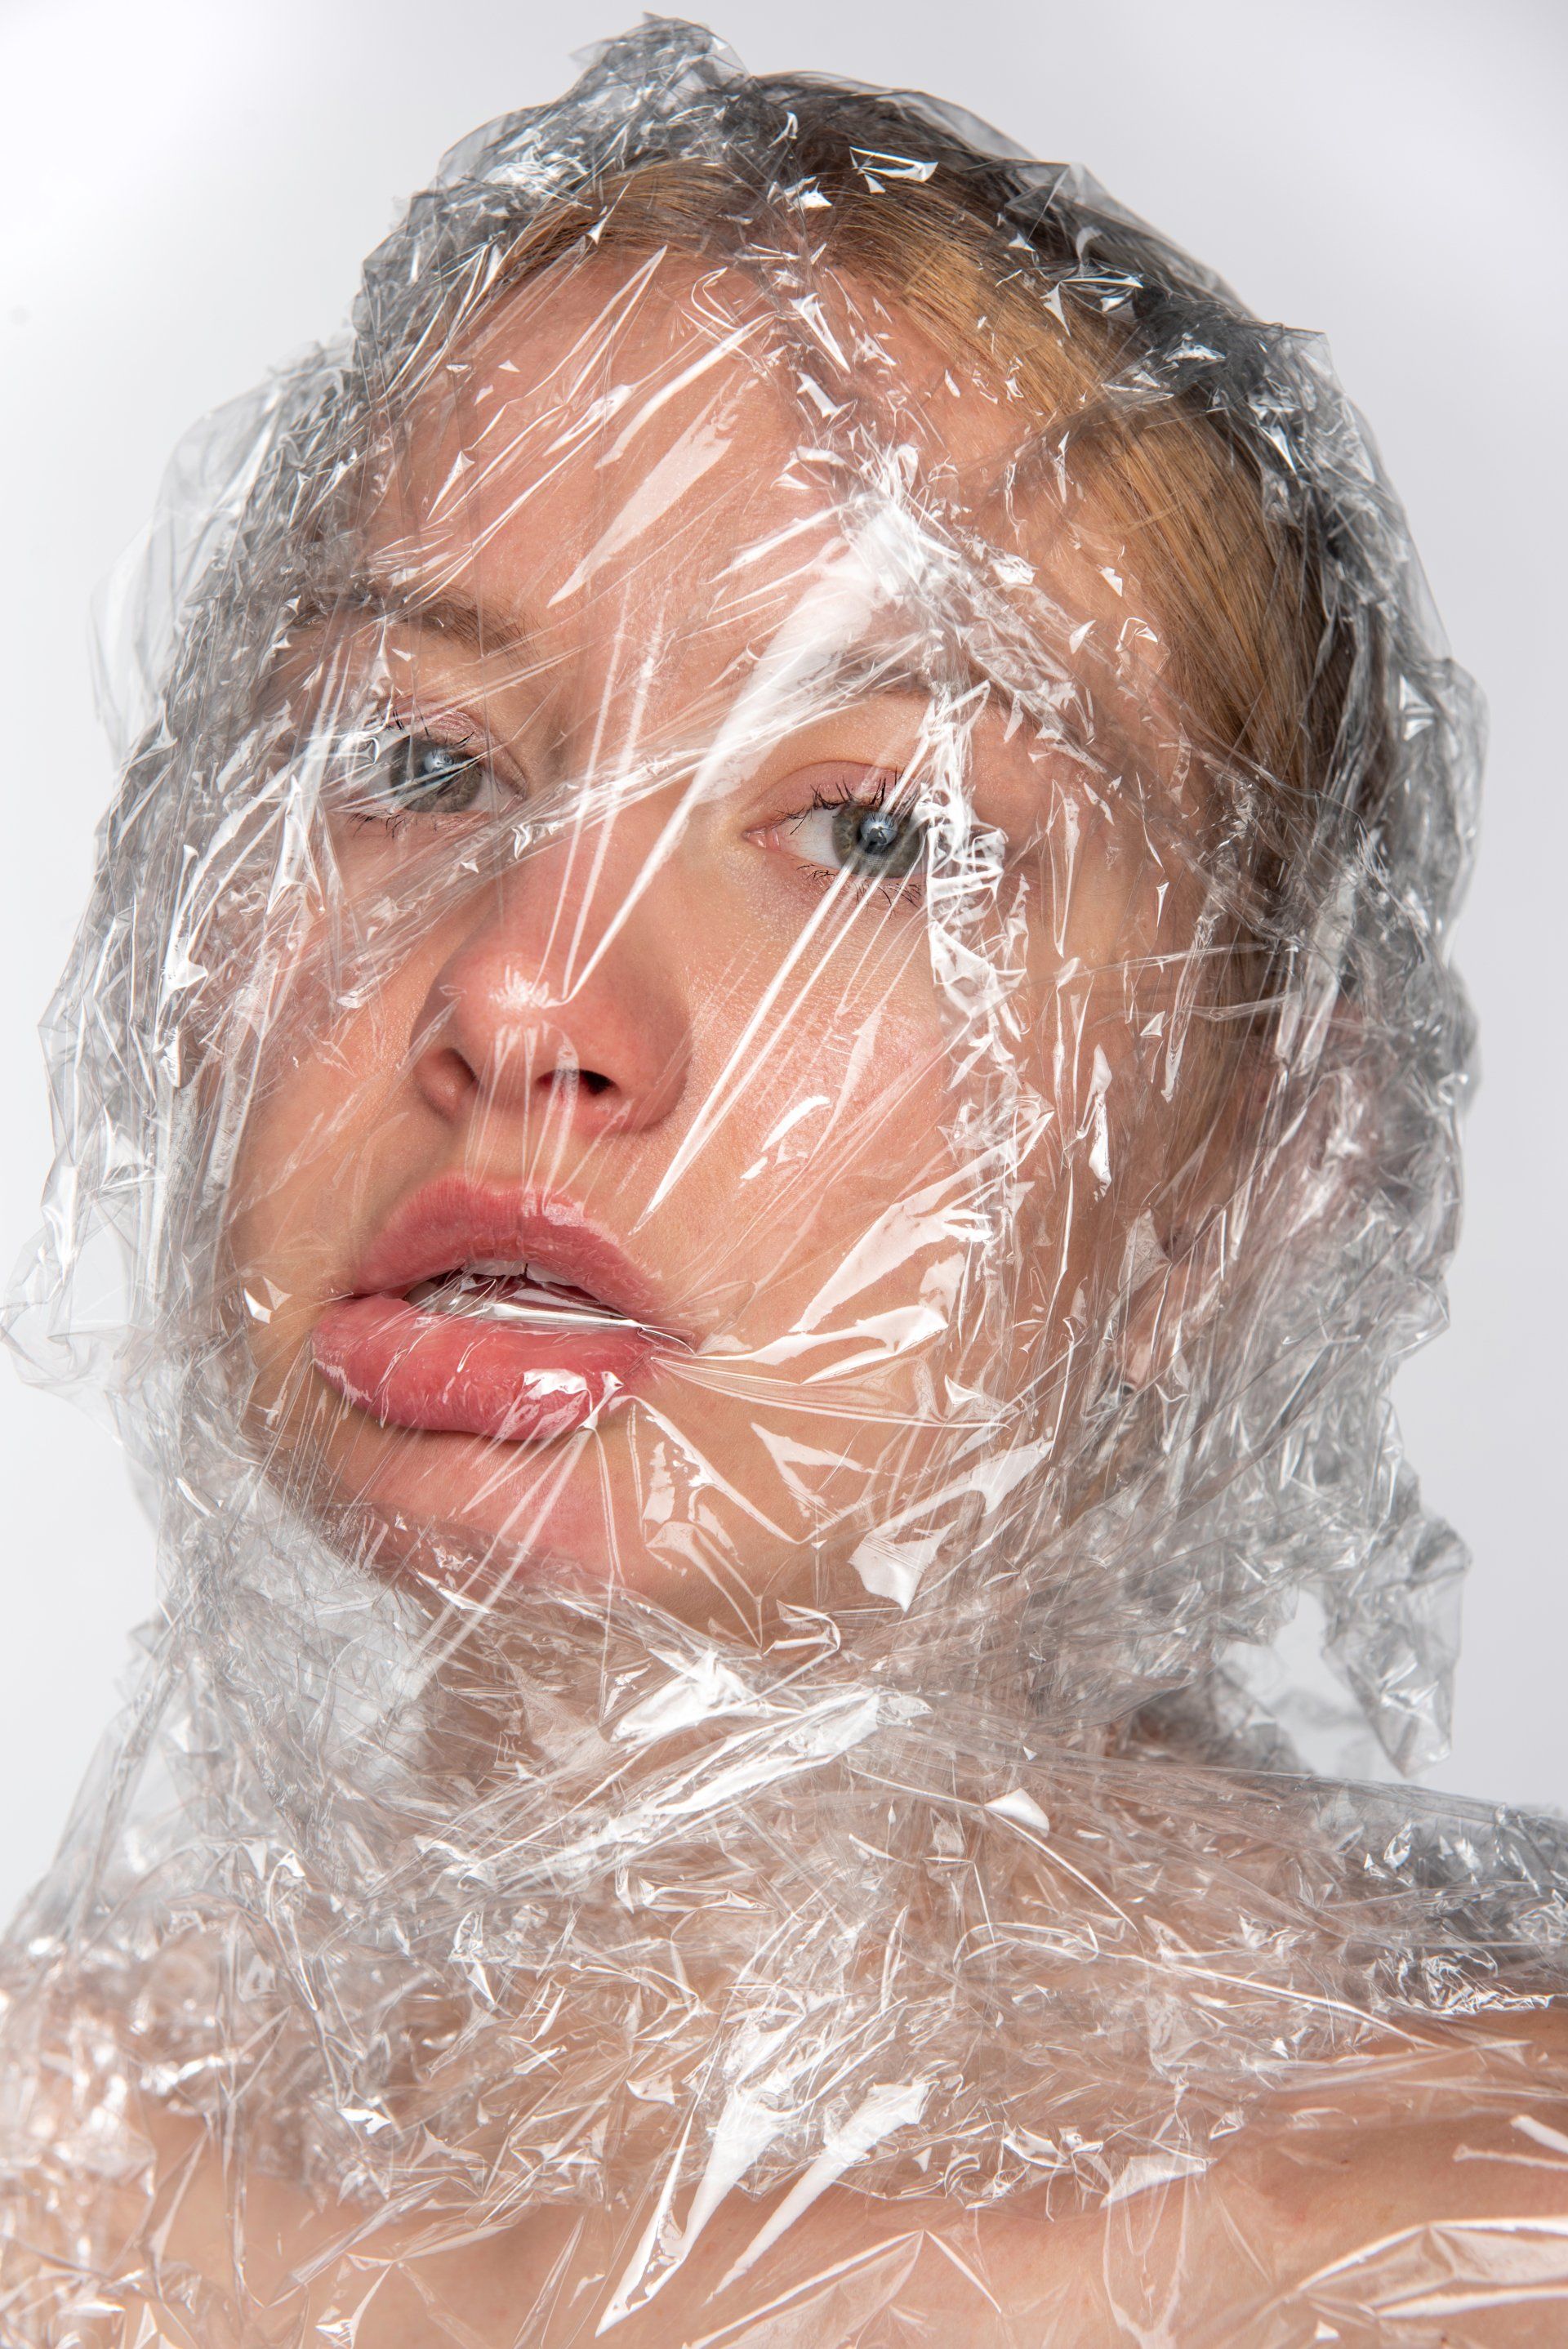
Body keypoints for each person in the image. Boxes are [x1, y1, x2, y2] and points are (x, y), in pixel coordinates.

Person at [3, 22, 1567, 2344]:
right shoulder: (55, 2190)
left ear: (1260, 1150)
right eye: (416, 760)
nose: (521, 992)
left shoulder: (1475, 2250)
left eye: (877, 832)